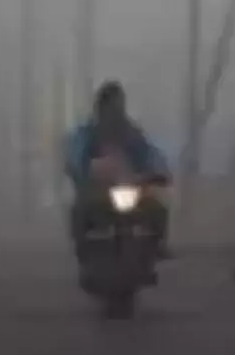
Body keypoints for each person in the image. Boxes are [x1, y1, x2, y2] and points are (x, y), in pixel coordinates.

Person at [62, 81, 172, 261]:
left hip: (132, 189)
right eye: (111, 105)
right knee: (81, 210)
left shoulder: (131, 134)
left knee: (158, 210)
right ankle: (82, 249)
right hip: (98, 192)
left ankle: (158, 246)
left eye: (118, 105)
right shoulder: (88, 134)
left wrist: (160, 172)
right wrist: (80, 171)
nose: (115, 111)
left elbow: (149, 154)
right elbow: (76, 156)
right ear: (101, 107)